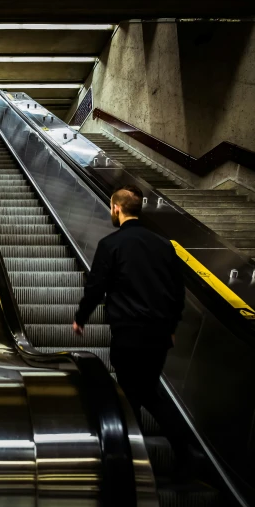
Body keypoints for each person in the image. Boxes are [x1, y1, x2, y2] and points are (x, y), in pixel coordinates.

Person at [73, 185, 186, 448]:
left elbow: (96, 286)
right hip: (159, 333)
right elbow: (177, 290)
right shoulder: (163, 244)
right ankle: (181, 452)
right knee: (147, 390)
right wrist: (171, 325)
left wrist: (81, 317)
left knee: (133, 394)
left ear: (116, 208)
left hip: (129, 332)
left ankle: (139, 453)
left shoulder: (111, 244)